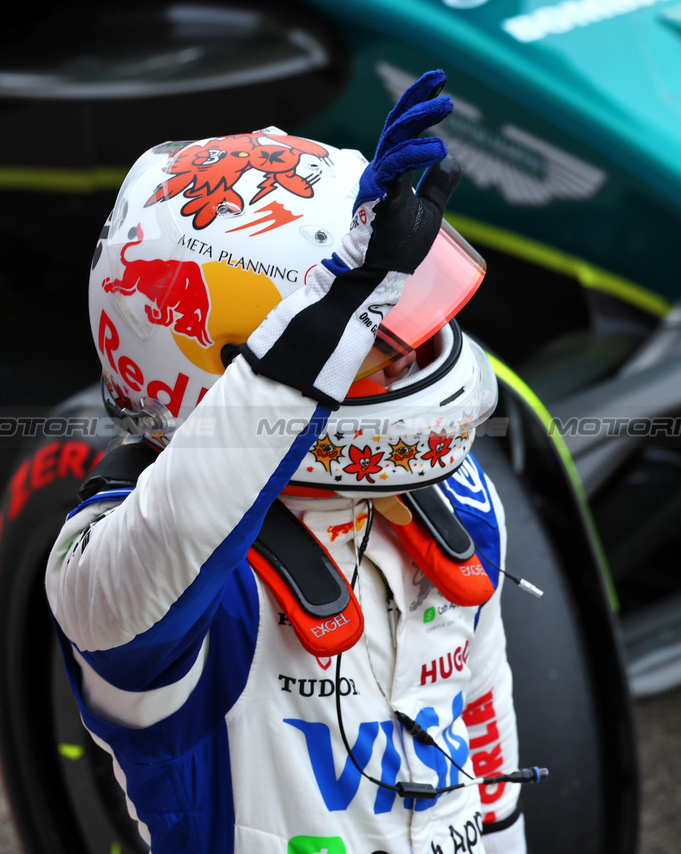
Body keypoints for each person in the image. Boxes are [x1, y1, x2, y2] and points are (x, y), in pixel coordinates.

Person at [45, 70, 529, 854]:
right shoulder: (110, 571)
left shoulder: (458, 498)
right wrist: (329, 315)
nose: (411, 360)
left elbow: (490, 751)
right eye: (377, 339)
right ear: (229, 364)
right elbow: (175, 535)